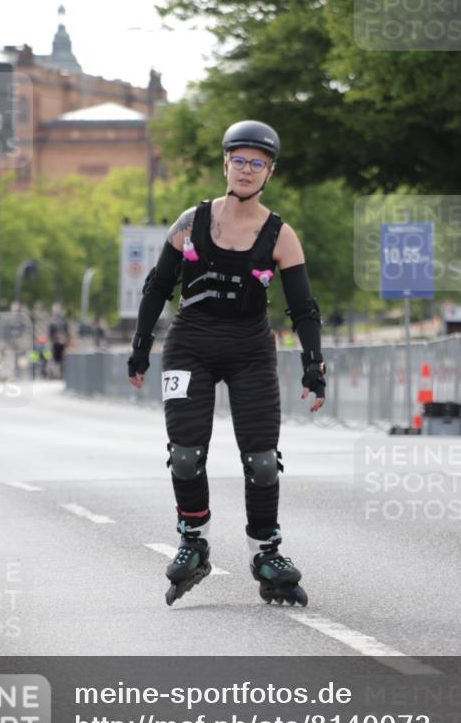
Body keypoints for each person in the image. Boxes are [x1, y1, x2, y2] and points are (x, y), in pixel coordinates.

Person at [128, 120, 325, 607]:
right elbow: (157, 286)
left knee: (261, 463)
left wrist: (313, 365)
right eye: (239, 160)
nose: (246, 169)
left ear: (269, 172)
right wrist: (140, 346)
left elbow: (303, 308)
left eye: (257, 163)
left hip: (250, 351)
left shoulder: (281, 235)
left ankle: (266, 552)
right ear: (225, 164)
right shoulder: (190, 223)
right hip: (188, 347)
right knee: (186, 454)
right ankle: (193, 540)